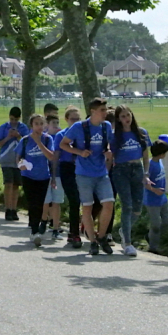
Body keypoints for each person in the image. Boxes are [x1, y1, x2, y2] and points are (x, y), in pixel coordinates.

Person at [60, 97, 115, 256]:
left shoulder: (106, 127)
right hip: (84, 174)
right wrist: (79, 152)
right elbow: (64, 144)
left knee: (109, 203)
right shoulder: (79, 127)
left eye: (105, 110)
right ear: (93, 111)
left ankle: (102, 236)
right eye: (102, 110)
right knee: (87, 207)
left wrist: (108, 151)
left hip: (101, 172)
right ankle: (92, 241)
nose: (106, 113)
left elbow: (109, 143)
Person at [111, 104, 152, 256]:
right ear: (118, 119)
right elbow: (111, 156)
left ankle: (124, 229)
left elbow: (146, 156)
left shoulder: (141, 133)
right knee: (127, 206)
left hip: (137, 169)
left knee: (137, 208)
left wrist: (146, 174)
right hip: (121, 171)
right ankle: (127, 243)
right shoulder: (116, 136)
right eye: (123, 116)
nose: (126, 119)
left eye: (128, 115)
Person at [16, 113, 56, 246]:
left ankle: (36, 227)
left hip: (43, 176)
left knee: (40, 204)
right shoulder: (25, 140)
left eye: (41, 123)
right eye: (36, 124)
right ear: (31, 126)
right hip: (28, 176)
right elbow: (18, 157)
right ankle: (34, 231)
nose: (39, 126)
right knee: (32, 203)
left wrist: (38, 141)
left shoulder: (47, 139)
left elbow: (51, 157)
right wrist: (20, 164)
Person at [54, 106, 83, 248]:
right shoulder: (61, 135)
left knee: (86, 200)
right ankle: (74, 233)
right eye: (72, 119)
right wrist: (53, 175)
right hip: (67, 168)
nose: (75, 122)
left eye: (78, 119)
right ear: (66, 120)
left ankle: (83, 227)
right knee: (74, 200)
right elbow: (56, 157)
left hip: (82, 168)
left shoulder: (83, 135)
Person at [0, 107, 30, 221]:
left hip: (19, 160)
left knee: (16, 185)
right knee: (8, 184)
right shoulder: (4, 127)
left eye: (16, 119)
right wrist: (8, 137)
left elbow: (27, 143)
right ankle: (7, 209)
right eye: (11, 119)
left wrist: (18, 136)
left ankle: (14, 209)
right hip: (6, 159)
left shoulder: (23, 127)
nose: (13, 122)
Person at [144, 140, 168, 254]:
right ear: (161, 153)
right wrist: (154, 190)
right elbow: (144, 183)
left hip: (163, 198)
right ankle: (153, 247)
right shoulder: (150, 165)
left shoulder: (160, 162)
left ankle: (150, 236)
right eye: (164, 152)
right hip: (152, 200)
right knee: (156, 225)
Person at [41, 115, 63, 239]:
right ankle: (43, 222)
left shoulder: (61, 137)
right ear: (47, 125)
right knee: (45, 201)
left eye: (57, 122)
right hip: (45, 173)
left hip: (59, 174)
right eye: (53, 122)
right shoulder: (45, 138)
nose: (55, 125)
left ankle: (56, 228)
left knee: (56, 201)